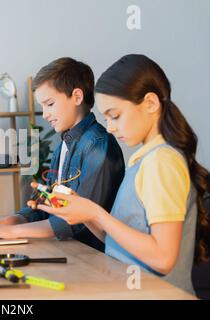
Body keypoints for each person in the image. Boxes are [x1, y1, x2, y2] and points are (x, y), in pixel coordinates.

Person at [37, 54, 210, 294]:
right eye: (106, 117)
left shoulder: (162, 161)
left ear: (150, 103)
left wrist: (96, 212)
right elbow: (116, 243)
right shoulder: (144, 161)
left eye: (115, 115)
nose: (110, 127)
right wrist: (85, 213)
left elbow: (163, 257)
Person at [0, 57, 125, 252]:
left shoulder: (98, 145)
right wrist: (11, 221)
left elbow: (77, 220)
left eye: (50, 104)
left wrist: (15, 232)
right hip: (69, 251)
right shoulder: (62, 146)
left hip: (93, 256)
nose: (45, 114)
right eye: (42, 107)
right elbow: (46, 203)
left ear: (77, 97)